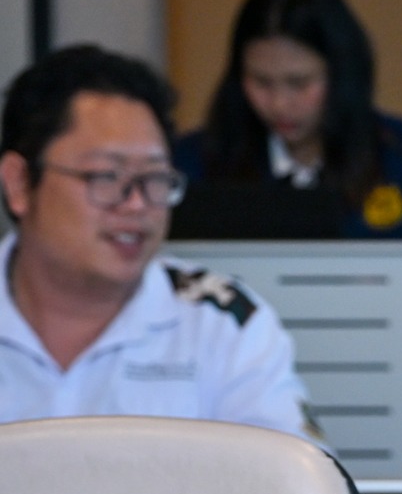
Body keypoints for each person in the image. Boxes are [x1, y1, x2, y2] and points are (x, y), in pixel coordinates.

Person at [0, 45, 310, 435]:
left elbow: (291, 471)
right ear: (19, 183)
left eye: (155, 178)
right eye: (106, 176)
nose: (136, 204)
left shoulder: (221, 323)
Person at [172, 0, 402, 240]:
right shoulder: (190, 162)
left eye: (299, 83)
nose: (279, 103)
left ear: (343, 76)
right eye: (261, 82)